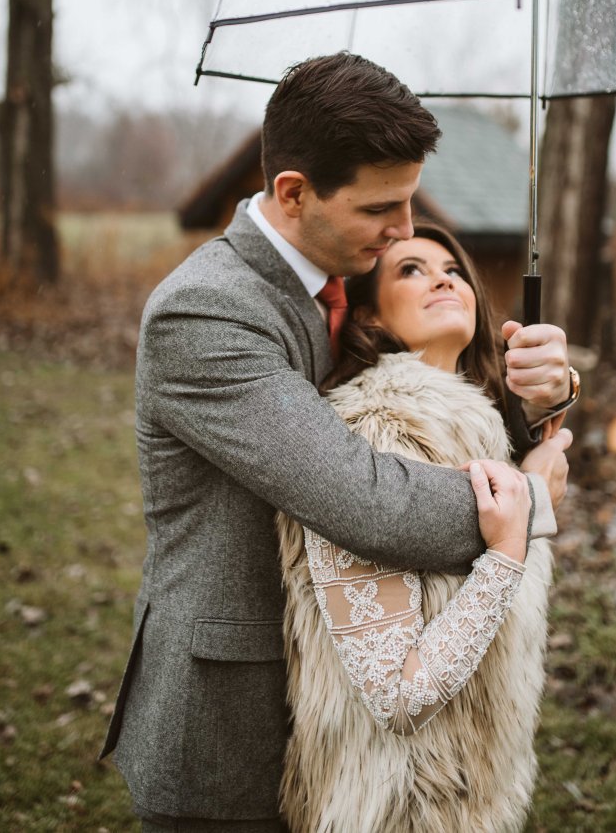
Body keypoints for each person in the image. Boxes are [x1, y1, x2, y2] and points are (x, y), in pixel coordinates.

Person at [100, 53, 574, 832]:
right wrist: (530, 500)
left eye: (410, 200)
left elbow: (422, 411)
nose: (406, 229)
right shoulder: (206, 311)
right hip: (233, 726)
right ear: (294, 192)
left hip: (343, 737)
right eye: (381, 207)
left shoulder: (341, 276)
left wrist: (543, 394)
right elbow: (367, 496)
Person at [278, 222, 569, 832]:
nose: (443, 278)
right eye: (411, 269)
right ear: (370, 316)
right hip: (394, 803)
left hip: (478, 790)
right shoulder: (371, 432)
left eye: (454, 270)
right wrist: (510, 548)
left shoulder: (481, 425)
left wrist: (559, 390)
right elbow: (399, 696)